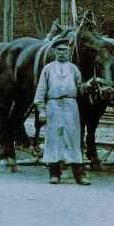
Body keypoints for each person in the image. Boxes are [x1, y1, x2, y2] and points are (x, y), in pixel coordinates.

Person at [34, 37, 91, 185]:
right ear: (54, 51)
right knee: (54, 139)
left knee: (73, 138)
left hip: (71, 106)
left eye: (65, 50)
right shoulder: (47, 69)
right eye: (59, 50)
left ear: (69, 51)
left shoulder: (74, 69)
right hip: (53, 106)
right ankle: (54, 174)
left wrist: (87, 86)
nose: (62, 53)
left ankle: (80, 175)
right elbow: (40, 91)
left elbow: (80, 88)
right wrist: (41, 110)